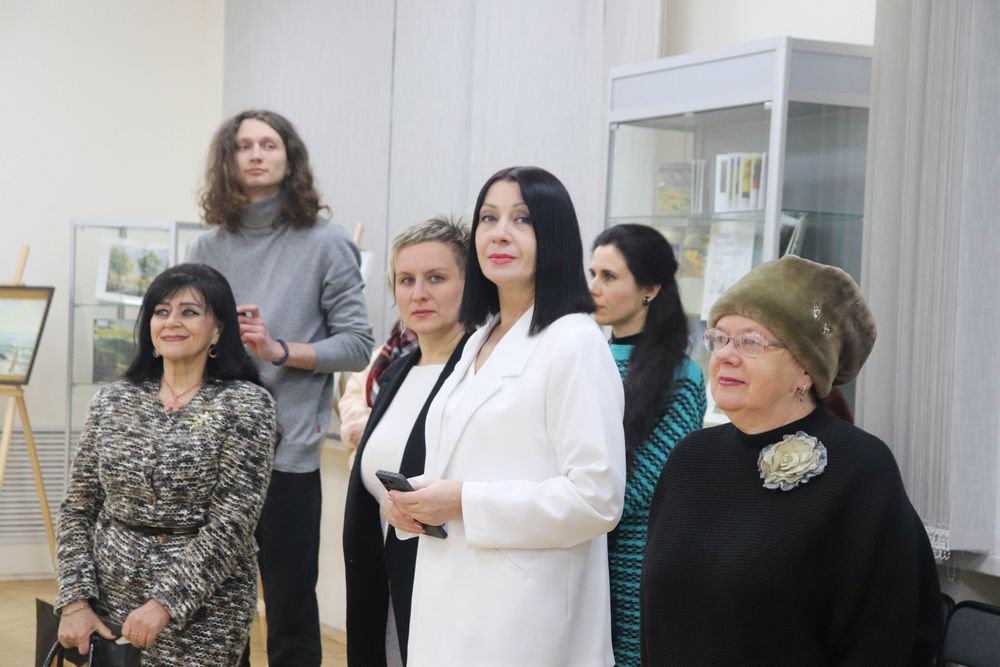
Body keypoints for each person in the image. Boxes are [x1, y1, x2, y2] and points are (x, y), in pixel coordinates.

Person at [640, 255, 943, 665]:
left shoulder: (860, 469)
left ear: (806, 369)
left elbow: (888, 634)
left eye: (750, 342)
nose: (726, 355)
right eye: (719, 338)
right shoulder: (690, 458)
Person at [383, 166, 626, 666]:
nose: (499, 233)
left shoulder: (575, 342)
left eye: (522, 219)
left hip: (525, 614)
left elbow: (596, 498)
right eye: (488, 218)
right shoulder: (480, 337)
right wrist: (415, 504)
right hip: (450, 592)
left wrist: (463, 502)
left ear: (554, 235)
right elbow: (469, 460)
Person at [188, 109, 374, 666]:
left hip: (287, 455)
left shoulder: (327, 242)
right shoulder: (207, 248)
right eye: (243, 145)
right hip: (214, 452)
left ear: (290, 159)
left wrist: (278, 350)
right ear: (227, 161)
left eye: (268, 144)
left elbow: (357, 344)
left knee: (290, 608)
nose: (255, 154)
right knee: (216, 608)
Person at [55, 263, 276, 666]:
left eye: (189, 312)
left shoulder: (246, 405)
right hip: (108, 599)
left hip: (206, 608)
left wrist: (164, 604)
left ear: (218, 329)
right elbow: (78, 508)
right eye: (161, 311)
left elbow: (232, 524)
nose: (172, 321)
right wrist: (74, 600)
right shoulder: (112, 400)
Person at [343, 216, 471, 666]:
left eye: (436, 278)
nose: (418, 293)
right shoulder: (397, 370)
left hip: (450, 581)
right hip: (385, 570)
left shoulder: (479, 374)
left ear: (470, 286)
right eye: (406, 280)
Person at [588, 224, 706, 667]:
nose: (593, 287)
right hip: (573, 546)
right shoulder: (585, 357)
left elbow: (651, 481)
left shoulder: (683, 376)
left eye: (609, 276)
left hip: (636, 557)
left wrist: (573, 500)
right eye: (592, 273)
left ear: (650, 289)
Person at [338, 320, 418, 459]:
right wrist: (370, 431)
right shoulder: (384, 354)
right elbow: (350, 401)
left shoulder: (453, 360)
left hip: (413, 465)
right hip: (366, 461)